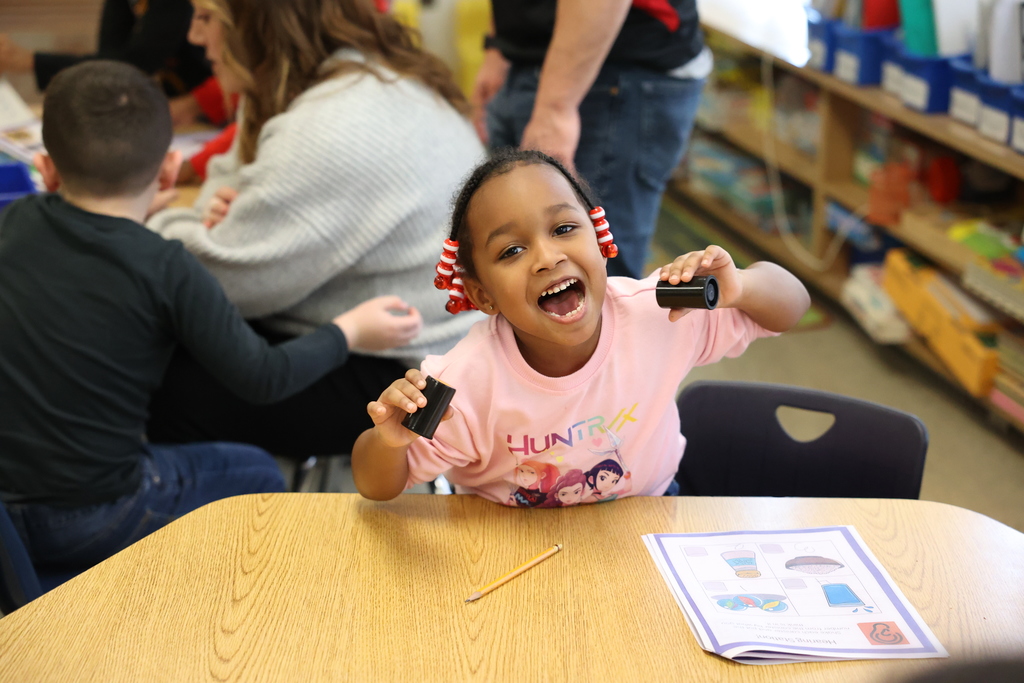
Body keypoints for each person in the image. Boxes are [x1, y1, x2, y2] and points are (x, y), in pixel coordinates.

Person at [0, 60, 421, 571]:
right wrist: (349, 329)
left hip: (8, 519)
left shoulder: (12, 222)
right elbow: (264, 378)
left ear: (45, 169)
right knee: (256, 472)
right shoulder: (167, 267)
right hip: (97, 514)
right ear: (170, 169)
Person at [351, 148, 810, 504]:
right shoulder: (459, 384)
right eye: (511, 251)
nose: (548, 257)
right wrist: (389, 442)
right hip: (508, 548)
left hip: (648, 519)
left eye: (564, 229)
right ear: (481, 295)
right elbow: (376, 486)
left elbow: (792, 306)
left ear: (600, 237)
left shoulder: (662, 312)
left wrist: (743, 287)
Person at [144, 0, 486, 458]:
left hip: (415, 379)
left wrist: (150, 216)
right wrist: (212, 222)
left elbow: (212, 281)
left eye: (207, 17)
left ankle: (222, 519)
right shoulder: (332, 81)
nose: (194, 35)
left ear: (257, 24)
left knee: (151, 378)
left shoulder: (331, 124)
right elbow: (223, 196)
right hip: (407, 340)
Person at [473, 0, 710, 280]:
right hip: (530, 60)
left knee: (598, 279)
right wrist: (499, 45)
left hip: (608, 71)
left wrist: (556, 109)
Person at [0, 0, 221, 127]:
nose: (195, 35)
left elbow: (136, 62)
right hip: (183, 117)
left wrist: (28, 60)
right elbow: (110, 61)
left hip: (214, 113)